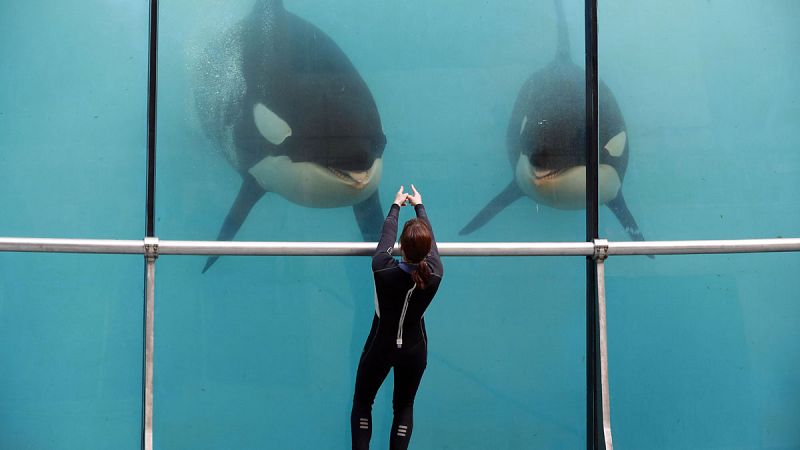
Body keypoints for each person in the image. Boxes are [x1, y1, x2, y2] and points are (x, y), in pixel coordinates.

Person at [351, 184, 443, 450]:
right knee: (403, 406)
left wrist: (395, 206)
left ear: (401, 246)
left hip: (381, 344)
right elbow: (432, 244)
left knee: (363, 402)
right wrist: (420, 206)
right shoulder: (436, 273)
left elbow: (385, 237)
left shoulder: (381, 267)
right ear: (427, 251)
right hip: (414, 350)